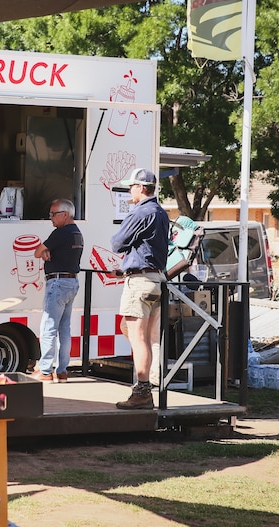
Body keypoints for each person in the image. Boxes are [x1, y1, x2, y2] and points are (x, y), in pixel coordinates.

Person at [110, 168, 169, 410]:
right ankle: (150, 382)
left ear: (141, 188)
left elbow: (117, 243)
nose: (129, 191)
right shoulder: (161, 213)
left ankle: (142, 390)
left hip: (140, 281)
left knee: (139, 337)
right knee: (140, 334)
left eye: (131, 187)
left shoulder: (141, 212)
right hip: (156, 279)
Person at [30, 199, 83, 383]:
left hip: (58, 283)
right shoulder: (77, 233)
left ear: (65, 214)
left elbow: (37, 252)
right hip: (72, 283)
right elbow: (45, 251)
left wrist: (44, 252)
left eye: (53, 214)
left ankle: (45, 371)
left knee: (48, 327)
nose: (50, 218)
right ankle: (62, 371)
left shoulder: (60, 233)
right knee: (64, 329)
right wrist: (46, 252)